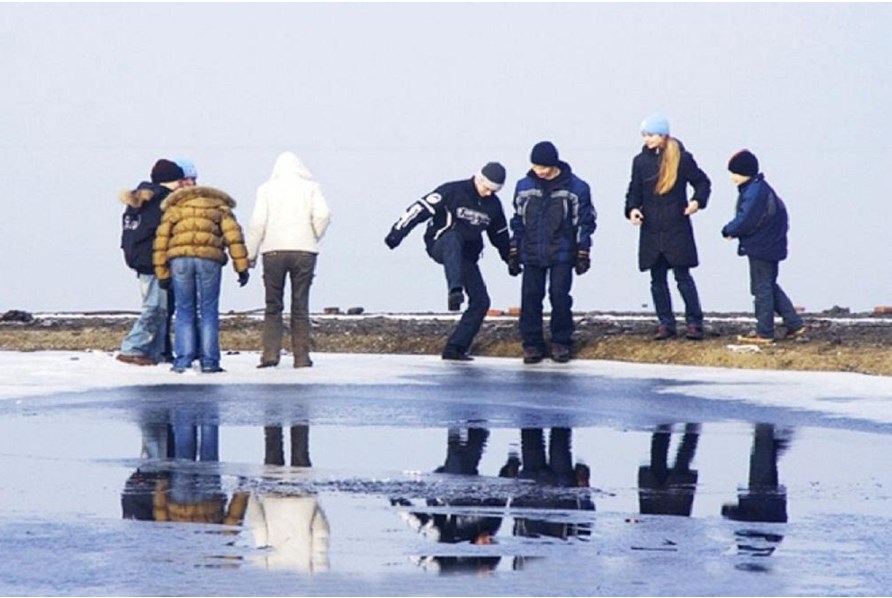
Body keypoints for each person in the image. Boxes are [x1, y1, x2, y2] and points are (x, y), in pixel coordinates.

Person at [385, 161, 512, 361]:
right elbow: (419, 209)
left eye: (494, 191)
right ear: (478, 179)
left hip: (467, 256)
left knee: (481, 301)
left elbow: (501, 235)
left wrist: (510, 260)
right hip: (440, 245)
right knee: (454, 238)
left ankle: (455, 348)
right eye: (487, 188)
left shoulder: (493, 205)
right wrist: (396, 234)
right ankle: (455, 291)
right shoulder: (452, 190)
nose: (489, 193)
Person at [625, 115, 711, 341]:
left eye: (651, 135)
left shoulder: (681, 158)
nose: (647, 140)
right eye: (644, 135)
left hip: (676, 226)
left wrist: (696, 202)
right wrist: (632, 209)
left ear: (663, 135)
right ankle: (665, 323)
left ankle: (694, 323)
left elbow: (702, 182)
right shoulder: (640, 161)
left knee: (683, 277)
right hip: (651, 227)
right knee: (657, 279)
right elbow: (634, 190)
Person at [509, 141, 597, 364]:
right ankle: (532, 345)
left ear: (553, 165)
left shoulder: (576, 188)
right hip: (531, 251)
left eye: (543, 167)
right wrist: (513, 249)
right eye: (536, 166)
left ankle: (561, 342)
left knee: (559, 295)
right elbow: (518, 220)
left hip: (562, 252)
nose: (539, 171)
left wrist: (583, 252)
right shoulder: (523, 186)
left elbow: (585, 222)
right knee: (530, 297)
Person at [152, 182, 250, 373]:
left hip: (180, 261)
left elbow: (161, 241)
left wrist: (162, 273)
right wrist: (241, 268)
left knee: (184, 310)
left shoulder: (176, 208)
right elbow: (234, 237)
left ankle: (183, 361)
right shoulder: (220, 207)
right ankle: (210, 362)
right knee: (209, 310)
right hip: (209, 260)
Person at [246, 151, 331, 369]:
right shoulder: (311, 188)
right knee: (300, 306)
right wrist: (313, 235)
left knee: (273, 306)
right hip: (304, 251)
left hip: (273, 251)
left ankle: (270, 355)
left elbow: (257, 223)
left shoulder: (266, 189)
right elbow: (323, 215)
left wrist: (251, 254)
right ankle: (301, 357)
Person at [721, 150, 805, 344]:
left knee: (761, 288)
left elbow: (746, 219)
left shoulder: (754, 192)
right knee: (768, 285)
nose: (731, 177)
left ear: (745, 173)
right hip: (771, 244)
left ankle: (764, 332)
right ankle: (794, 324)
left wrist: (728, 230)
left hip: (762, 246)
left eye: (734, 172)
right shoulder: (760, 188)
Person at [116, 159, 184, 366]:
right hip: (155, 260)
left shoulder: (139, 200)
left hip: (139, 258)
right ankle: (132, 348)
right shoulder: (162, 200)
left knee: (159, 307)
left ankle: (155, 352)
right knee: (154, 308)